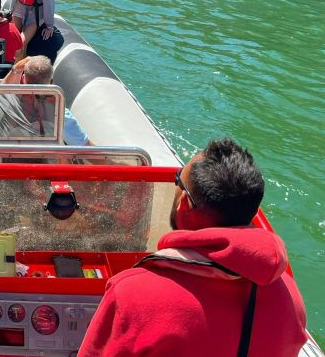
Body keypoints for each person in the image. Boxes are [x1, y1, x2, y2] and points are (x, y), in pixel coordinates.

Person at [79, 138, 308, 357]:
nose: (176, 187)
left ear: (185, 203)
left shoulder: (133, 294)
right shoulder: (289, 296)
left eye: (178, 180)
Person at [0, 56, 89, 145]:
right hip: (40, 160)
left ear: (23, 79)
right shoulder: (59, 114)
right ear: (51, 83)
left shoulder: (5, 97)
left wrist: (16, 68)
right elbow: (88, 151)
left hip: (5, 159)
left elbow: (4, 85)